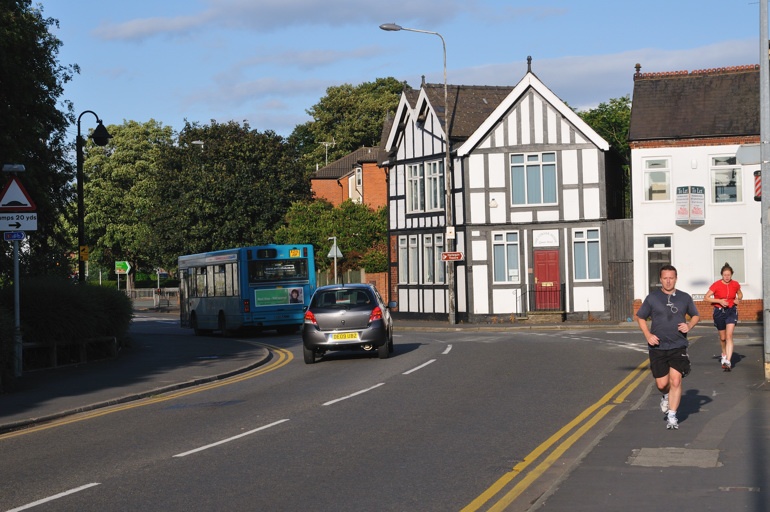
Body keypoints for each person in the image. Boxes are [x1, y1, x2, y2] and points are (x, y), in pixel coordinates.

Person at [635, 265, 700, 430]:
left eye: (671, 277)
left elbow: (696, 315)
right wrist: (648, 335)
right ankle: (665, 395)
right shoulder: (652, 298)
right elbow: (640, 317)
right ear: (660, 280)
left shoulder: (684, 297)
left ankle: (672, 416)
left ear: (676, 278)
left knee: (676, 381)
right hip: (658, 347)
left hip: (678, 345)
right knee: (663, 384)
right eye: (665, 278)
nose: (668, 281)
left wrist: (689, 326)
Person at [704, 262, 742, 371]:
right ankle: (724, 354)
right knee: (723, 337)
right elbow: (706, 297)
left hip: (731, 311)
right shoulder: (716, 285)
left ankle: (728, 361)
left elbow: (740, 294)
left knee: (729, 336)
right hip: (719, 312)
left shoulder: (735, 284)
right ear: (722, 275)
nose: (727, 277)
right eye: (725, 275)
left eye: (729, 275)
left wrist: (738, 299)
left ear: (731, 275)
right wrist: (719, 301)